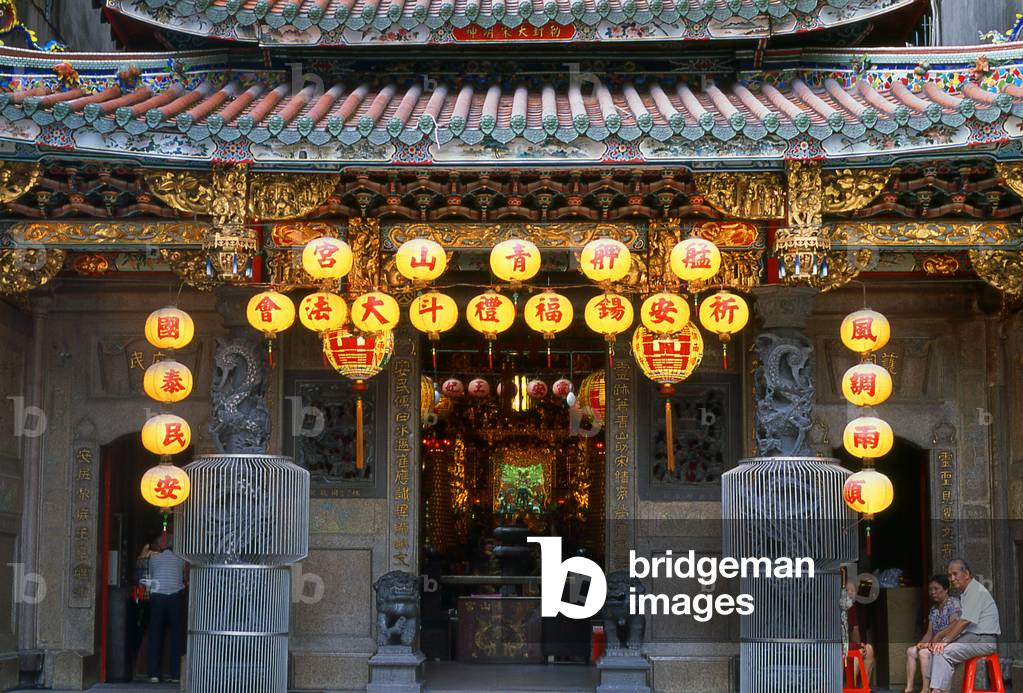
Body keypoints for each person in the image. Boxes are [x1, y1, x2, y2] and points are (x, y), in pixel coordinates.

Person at [927, 559, 1000, 693]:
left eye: (955, 574)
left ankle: (937, 690)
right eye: (949, 575)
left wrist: (945, 640)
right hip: (973, 638)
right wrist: (941, 637)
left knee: (942, 651)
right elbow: (960, 622)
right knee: (936, 650)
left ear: (966, 574)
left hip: (983, 639)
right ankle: (934, 689)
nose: (952, 579)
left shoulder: (975, 590)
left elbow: (964, 621)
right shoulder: (967, 592)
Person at [143, 533, 187, 684]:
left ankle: (154, 674)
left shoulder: (153, 559)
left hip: (158, 598)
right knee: (177, 636)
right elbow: (184, 577)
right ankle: (176, 675)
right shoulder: (180, 558)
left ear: (160, 545)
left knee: (155, 635)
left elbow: (151, 576)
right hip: (175, 597)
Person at [905, 575, 961, 693]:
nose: (932, 592)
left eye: (936, 589)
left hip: (947, 643)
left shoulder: (953, 603)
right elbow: (929, 633)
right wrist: (921, 643)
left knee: (923, 653)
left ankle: (925, 689)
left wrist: (937, 637)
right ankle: (908, 689)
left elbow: (955, 624)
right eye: (931, 589)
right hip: (934, 643)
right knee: (911, 651)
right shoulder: (934, 609)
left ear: (946, 590)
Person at [843, 579, 875, 688]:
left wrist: (861, 644)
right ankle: (852, 688)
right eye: (847, 590)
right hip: (838, 645)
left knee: (869, 649)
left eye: (853, 590)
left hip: (850, 644)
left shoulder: (855, 607)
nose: (850, 593)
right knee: (857, 654)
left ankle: (865, 688)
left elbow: (856, 631)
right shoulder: (838, 607)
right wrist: (857, 646)